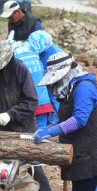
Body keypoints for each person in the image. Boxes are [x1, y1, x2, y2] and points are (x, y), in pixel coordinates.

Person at [0, 39, 51, 191]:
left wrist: (10, 115)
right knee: (0, 174)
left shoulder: (19, 69)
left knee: (33, 170)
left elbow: (31, 100)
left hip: (22, 130)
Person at [33, 52, 97, 191]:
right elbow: (67, 118)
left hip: (90, 155)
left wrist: (51, 132)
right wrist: (48, 127)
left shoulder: (84, 87)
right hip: (80, 154)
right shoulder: (71, 87)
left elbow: (79, 119)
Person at [7, 40, 53, 129]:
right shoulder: (34, 54)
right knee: (41, 133)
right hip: (43, 101)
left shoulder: (13, 60)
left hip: (27, 105)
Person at [27, 30, 64, 125]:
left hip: (57, 87)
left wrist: (42, 73)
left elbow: (55, 77)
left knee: (55, 108)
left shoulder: (55, 53)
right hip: (47, 87)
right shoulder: (41, 52)